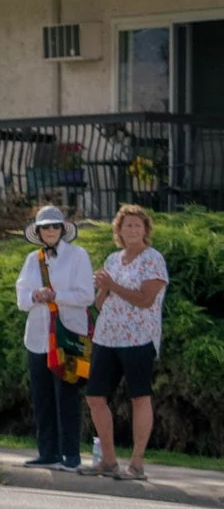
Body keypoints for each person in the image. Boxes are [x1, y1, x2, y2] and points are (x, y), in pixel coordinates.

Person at [89, 203, 167, 481]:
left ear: (146, 229)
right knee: (95, 396)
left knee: (139, 397)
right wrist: (103, 287)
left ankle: (136, 463)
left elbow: (146, 300)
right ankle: (108, 460)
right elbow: (100, 302)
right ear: (119, 231)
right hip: (106, 336)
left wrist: (115, 286)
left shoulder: (153, 259)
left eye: (137, 225)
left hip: (138, 338)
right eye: (127, 225)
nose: (132, 229)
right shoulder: (112, 259)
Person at [15, 203, 94, 473]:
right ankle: (47, 453)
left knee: (68, 395)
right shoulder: (31, 259)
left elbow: (86, 295)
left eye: (54, 226)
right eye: (45, 226)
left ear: (63, 229)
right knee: (43, 397)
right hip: (38, 338)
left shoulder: (78, 255)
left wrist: (55, 296)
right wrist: (35, 296)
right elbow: (21, 297)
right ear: (38, 231)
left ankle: (70, 456)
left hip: (68, 337)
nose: (50, 230)